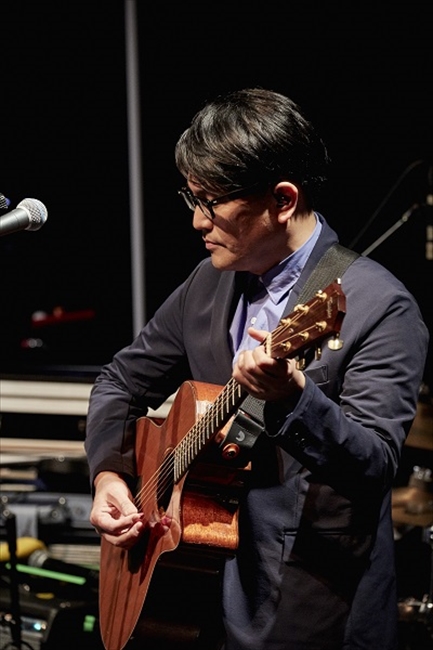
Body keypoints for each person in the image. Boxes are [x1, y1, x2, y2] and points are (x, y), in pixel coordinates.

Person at [84, 88, 429, 650]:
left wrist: (295, 399)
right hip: (191, 584)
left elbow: (375, 465)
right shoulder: (208, 281)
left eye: (210, 202)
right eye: (191, 198)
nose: (196, 221)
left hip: (308, 605)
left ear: (283, 200)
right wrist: (109, 477)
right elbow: (119, 382)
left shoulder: (380, 306)